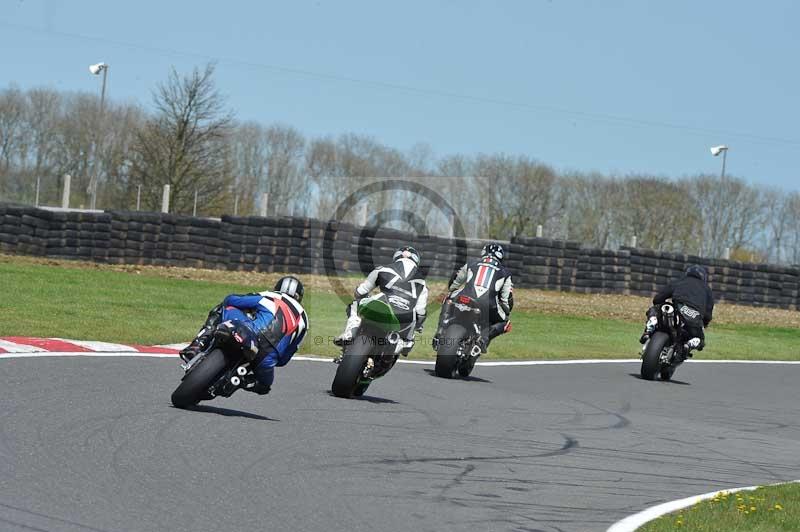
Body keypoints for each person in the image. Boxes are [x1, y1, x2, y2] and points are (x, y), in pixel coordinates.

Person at [179, 276, 308, 395]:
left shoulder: (270, 296)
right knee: (264, 386)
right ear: (300, 297)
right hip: (267, 357)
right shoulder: (304, 320)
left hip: (248, 331)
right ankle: (239, 381)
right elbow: (286, 357)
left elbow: (232, 300)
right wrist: (273, 359)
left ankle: (198, 344)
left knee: (225, 307)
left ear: (277, 288)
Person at [334, 246, 428, 355]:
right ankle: (404, 342)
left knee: (354, 305)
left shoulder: (382, 269)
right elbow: (420, 312)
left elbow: (360, 292)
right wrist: (418, 325)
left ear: (396, 257)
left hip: (381, 305)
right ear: (416, 261)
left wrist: (361, 296)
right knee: (411, 332)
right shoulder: (422, 282)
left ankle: (350, 333)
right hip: (405, 316)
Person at [433, 243, 513, 353]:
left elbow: (455, 282)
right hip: (488, 304)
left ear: (483, 253)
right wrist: (506, 309)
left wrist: (452, 290)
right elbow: (506, 299)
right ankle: (483, 340)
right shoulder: (506, 272)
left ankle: (440, 332)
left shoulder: (471, 263)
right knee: (505, 321)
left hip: (465, 297)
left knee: (448, 299)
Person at [640, 264, 714, 356]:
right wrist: (704, 323)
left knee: (657, 309)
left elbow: (658, 298)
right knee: (700, 340)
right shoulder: (707, 290)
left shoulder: (680, 281)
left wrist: (659, 306)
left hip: (678, 309)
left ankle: (652, 323)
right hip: (694, 318)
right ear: (704, 277)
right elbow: (708, 314)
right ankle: (692, 342)